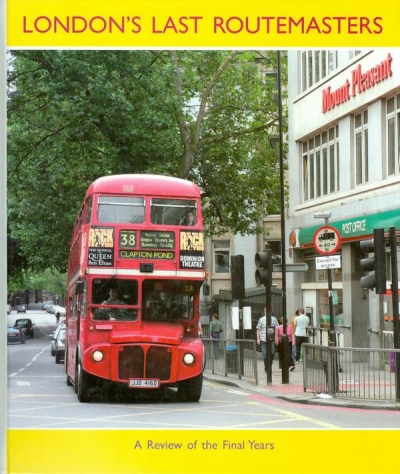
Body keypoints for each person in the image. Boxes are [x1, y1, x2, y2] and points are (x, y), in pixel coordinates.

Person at [256, 308, 279, 373]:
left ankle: (270, 363)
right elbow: (258, 329)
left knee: (272, 351)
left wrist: (276, 337)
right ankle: (266, 366)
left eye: (268, 311)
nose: (267, 312)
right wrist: (258, 338)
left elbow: (276, 329)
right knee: (264, 353)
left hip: (272, 338)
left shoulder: (274, 319)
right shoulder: (261, 319)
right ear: (264, 312)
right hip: (263, 338)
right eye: (266, 311)